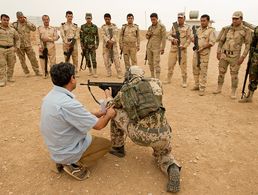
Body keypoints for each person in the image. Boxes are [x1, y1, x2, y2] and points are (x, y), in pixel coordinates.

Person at [103, 66, 181, 193]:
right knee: (163, 153)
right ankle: (171, 166)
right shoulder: (157, 83)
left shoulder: (125, 91)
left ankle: (118, 147)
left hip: (142, 135)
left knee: (115, 112)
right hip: (164, 132)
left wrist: (108, 96)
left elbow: (110, 107)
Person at [40, 62, 116, 181]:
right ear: (72, 79)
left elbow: (72, 117)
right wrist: (109, 115)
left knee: (90, 138)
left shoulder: (51, 97)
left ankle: (62, 160)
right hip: (67, 151)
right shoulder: (69, 104)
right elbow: (99, 125)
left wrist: (98, 113)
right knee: (106, 145)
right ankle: (72, 164)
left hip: (57, 148)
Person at [213, 11, 252, 99]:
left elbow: (247, 45)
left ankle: (233, 92)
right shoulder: (227, 29)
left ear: (241, 19)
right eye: (233, 18)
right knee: (221, 73)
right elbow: (221, 41)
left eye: (236, 19)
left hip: (235, 56)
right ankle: (219, 88)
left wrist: (243, 57)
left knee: (234, 75)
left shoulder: (246, 30)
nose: (234, 20)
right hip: (224, 55)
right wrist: (218, 52)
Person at [163, 12, 191, 87]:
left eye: (181, 18)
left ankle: (184, 81)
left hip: (182, 50)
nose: (179, 19)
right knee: (170, 65)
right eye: (178, 18)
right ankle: (168, 79)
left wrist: (185, 46)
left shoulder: (187, 27)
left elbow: (189, 39)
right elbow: (168, 35)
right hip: (173, 49)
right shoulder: (174, 26)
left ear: (184, 18)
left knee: (183, 66)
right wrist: (173, 39)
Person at [191, 14, 216, 96]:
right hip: (196, 53)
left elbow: (212, 42)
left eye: (204, 21)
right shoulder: (198, 30)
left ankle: (202, 88)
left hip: (204, 54)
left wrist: (202, 48)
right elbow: (195, 40)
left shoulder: (211, 30)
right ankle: (196, 85)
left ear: (208, 21)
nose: (202, 22)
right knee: (195, 69)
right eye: (201, 21)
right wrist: (193, 40)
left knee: (203, 71)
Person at [12, 11, 42, 77]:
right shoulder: (14, 25)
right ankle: (26, 72)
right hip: (19, 46)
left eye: (22, 17)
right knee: (22, 60)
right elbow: (12, 34)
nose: (21, 19)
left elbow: (34, 28)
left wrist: (27, 22)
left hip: (28, 45)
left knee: (33, 58)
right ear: (17, 17)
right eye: (19, 17)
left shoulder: (27, 23)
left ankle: (37, 71)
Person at [239, 26, 258, 103]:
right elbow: (252, 44)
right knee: (253, 76)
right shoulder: (257, 29)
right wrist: (250, 57)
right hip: (256, 56)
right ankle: (249, 96)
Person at [0, 14, 20, 87]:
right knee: (1, 65)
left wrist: (16, 47)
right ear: (1, 20)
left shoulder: (12, 30)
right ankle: (2, 80)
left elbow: (17, 39)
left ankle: (9, 77)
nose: (6, 21)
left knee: (11, 64)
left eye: (7, 20)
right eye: (4, 20)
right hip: (1, 49)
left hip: (11, 49)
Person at [101, 13, 123, 78]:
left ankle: (119, 73)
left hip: (114, 46)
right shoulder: (103, 27)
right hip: (106, 46)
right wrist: (108, 41)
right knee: (106, 60)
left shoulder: (114, 26)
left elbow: (116, 34)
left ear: (110, 18)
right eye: (105, 19)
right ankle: (109, 72)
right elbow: (103, 35)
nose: (107, 20)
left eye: (108, 19)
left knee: (116, 60)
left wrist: (112, 41)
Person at [146, 13, 166, 79]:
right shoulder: (150, 27)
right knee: (150, 63)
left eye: (154, 19)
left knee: (156, 63)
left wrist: (163, 48)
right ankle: (152, 76)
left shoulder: (161, 27)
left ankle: (157, 78)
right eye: (151, 20)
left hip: (156, 48)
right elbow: (147, 36)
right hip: (149, 47)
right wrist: (149, 34)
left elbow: (163, 38)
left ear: (157, 18)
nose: (153, 21)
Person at [60, 11, 80, 77]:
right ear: (66, 16)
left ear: (72, 17)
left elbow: (77, 34)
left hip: (74, 44)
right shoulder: (63, 25)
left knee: (75, 58)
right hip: (66, 45)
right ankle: (68, 72)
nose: (70, 18)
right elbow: (62, 34)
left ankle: (75, 71)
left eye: (71, 16)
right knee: (67, 58)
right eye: (68, 16)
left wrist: (72, 42)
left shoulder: (75, 25)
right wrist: (67, 42)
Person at [80, 13, 99, 77]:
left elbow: (97, 36)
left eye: (89, 18)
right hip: (85, 46)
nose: (88, 19)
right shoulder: (82, 26)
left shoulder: (95, 27)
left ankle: (95, 72)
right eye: (87, 18)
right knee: (87, 59)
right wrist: (82, 46)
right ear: (85, 18)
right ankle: (90, 71)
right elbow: (81, 37)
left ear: (91, 18)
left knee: (93, 59)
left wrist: (97, 44)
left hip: (92, 46)